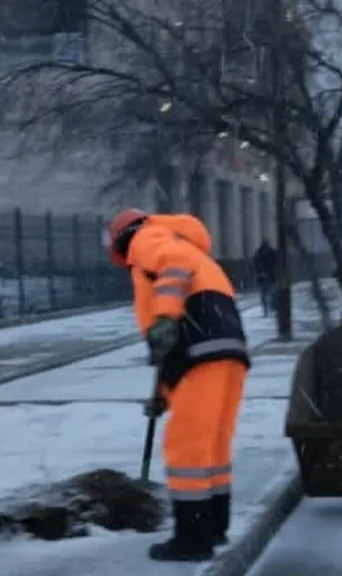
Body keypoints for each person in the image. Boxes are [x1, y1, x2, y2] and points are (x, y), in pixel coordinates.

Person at [107, 209, 250, 562]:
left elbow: (174, 269)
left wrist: (165, 317)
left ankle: (192, 540)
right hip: (225, 349)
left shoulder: (148, 239)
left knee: (186, 447)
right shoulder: (193, 250)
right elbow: (172, 353)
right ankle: (214, 527)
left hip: (198, 347)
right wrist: (164, 396)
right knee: (212, 444)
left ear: (123, 239)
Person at [252, 239, 277, 317]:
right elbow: (275, 263)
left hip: (261, 277)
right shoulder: (271, 253)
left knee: (264, 294)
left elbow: (255, 264)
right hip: (270, 277)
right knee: (270, 293)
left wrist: (259, 272)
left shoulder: (258, 253)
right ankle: (271, 308)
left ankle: (266, 310)